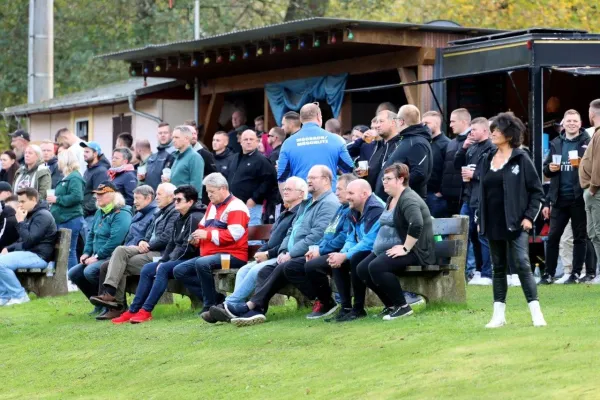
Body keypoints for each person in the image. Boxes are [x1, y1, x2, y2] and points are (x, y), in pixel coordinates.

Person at [221, 165, 341, 327]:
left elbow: (316, 236)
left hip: (312, 253)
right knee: (265, 270)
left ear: (326, 180)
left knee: (285, 267)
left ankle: (249, 306)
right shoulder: (307, 203)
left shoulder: (328, 203)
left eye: (313, 178)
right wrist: (284, 250)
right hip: (292, 254)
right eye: (308, 177)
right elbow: (291, 231)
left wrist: (290, 253)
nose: (309, 180)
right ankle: (257, 310)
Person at [202, 176, 306, 323]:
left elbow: (287, 243)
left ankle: (229, 306)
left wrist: (268, 253)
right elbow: (272, 240)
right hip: (271, 254)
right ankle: (234, 307)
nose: (284, 192)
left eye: (289, 189)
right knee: (244, 270)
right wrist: (260, 251)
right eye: (284, 189)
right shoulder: (285, 213)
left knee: (254, 270)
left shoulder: (299, 214)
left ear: (301, 194)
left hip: (283, 256)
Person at [478, 113, 546, 328]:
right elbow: (481, 192)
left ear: (509, 134)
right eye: (492, 129)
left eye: (497, 130)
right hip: (493, 221)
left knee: (523, 264)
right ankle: (498, 315)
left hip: (517, 223)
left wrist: (528, 218)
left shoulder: (521, 158)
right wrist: (480, 216)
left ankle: (536, 313)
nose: (493, 133)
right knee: (498, 267)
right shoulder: (486, 158)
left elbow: (537, 192)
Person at [111, 185, 205, 324]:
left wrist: (167, 263)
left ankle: (146, 310)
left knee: (162, 269)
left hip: (191, 259)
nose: (175, 203)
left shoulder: (195, 217)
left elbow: (187, 248)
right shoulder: (180, 217)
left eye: (178, 200)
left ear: (190, 202)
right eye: (175, 200)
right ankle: (134, 309)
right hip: (179, 258)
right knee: (148, 268)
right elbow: (172, 244)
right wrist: (164, 260)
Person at [353, 163, 434, 321]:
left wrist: (405, 248)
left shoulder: (408, 199)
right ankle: (391, 306)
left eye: (389, 179)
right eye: (384, 178)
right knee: (362, 268)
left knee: (376, 267)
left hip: (417, 251)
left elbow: (416, 223)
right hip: (393, 248)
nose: (384, 182)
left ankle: (403, 307)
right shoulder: (391, 198)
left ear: (401, 179)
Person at [91, 185, 175, 320]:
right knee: (116, 255)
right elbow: (146, 234)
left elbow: (167, 237)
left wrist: (147, 244)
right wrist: (143, 240)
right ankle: (113, 300)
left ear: (171, 197)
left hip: (159, 253)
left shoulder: (172, 213)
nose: (156, 198)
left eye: (159, 195)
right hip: (145, 248)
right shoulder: (159, 212)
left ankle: (116, 303)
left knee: (116, 264)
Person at [171, 173, 250, 314]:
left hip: (233, 255)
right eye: (207, 191)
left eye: (212, 191)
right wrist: (197, 239)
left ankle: (209, 305)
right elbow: (202, 228)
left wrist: (207, 235)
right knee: (179, 270)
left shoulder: (236, 206)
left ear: (223, 188)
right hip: (212, 254)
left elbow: (234, 235)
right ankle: (218, 299)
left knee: (202, 264)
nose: (209, 195)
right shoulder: (212, 206)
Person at [308, 179, 385, 322]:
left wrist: (345, 255)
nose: (346, 196)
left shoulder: (376, 210)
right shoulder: (353, 210)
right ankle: (346, 308)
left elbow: (369, 242)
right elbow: (351, 238)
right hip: (366, 250)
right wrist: (341, 254)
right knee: (341, 261)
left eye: (351, 193)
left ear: (364, 194)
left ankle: (358, 308)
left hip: (380, 250)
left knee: (356, 259)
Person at [541, 110, 595, 285]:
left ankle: (576, 273)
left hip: (579, 196)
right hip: (559, 198)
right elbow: (546, 169)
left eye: (575, 120)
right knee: (553, 237)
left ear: (580, 124)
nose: (572, 123)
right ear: (563, 124)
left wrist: (582, 166)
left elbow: (595, 167)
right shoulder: (556, 142)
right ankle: (548, 274)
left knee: (581, 237)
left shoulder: (588, 141)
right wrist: (550, 168)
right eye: (568, 121)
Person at [68, 182, 133, 315]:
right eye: (97, 194)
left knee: (90, 271)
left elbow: (115, 241)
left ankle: (110, 303)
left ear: (113, 195)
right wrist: (86, 253)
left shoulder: (122, 213)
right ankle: (98, 303)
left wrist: (96, 257)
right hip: (97, 256)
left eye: (101, 194)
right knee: (74, 273)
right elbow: (91, 234)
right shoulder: (100, 212)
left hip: (113, 257)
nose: (97, 197)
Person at [454, 117, 495, 285]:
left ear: (485, 131)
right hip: (468, 198)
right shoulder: (471, 148)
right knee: (465, 234)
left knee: (482, 235)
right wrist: (462, 149)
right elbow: (457, 165)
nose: (471, 133)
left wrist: (475, 175)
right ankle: (475, 271)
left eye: (474, 130)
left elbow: (495, 174)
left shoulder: (492, 149)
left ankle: (487, 273)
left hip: (483, 199)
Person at [0, 188, 57, 306]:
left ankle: (20, 296)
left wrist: (20, 222)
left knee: (1, 263)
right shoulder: (33, 214)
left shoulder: (43, 216)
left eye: (23, 202)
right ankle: (4, 296)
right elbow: (22, 241)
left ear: (34, 200)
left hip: (39, 257)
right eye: (19, 202)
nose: (20, 205)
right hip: (31, 254)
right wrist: (8, 249)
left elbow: (29, 241)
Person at [277, 103, 354, 189]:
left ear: (301, 119)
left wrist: (288, 201)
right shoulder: (336, 140)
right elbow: (349, 169)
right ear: (319, 116)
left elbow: (281, 178)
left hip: (301, 196)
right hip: (328, 197)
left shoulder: (288, 143)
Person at [380, 105, 432, 200]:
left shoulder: (417, 142)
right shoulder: (407, 139)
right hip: (395, 200)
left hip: (407, 201)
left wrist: (395, 185)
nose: (395, 122)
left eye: (396, 119)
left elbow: (419, 173)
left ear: (401, 121)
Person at [227, 130, 277, 228]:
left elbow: (269, 180)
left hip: (251, 206)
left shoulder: (261, 160)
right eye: (245, 139)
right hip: (234, 205)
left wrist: (254, 198)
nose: (248, 142)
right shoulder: (235, 157)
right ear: (240, 142)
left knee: (253, 237)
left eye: (251, 139)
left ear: (257, 142)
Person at [46, 150, 85, 271]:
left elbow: (77, 197)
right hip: (62, 218)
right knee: (63, 250)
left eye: (60, 159)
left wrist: (57, 199)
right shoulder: (68, 176)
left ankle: (72, 279)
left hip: (70, 218)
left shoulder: (75, 177)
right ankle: (63, 277)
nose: (58, 162)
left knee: (69, 249)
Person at [441, 108, 472, 216]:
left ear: (463, 122)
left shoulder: (474, 142)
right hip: (447, 199)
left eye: (453, 121)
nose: (450, 125)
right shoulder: (451, 143)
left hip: (464, 198)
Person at [580, 126, 600, 274]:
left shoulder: (599, 134)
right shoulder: (596, 133)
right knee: (593, 233)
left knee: (598, 232)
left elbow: (599, 164)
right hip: (590, 191)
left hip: (595, 191)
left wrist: (593, 187)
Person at [422, 111, 450, 218]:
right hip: (423, 193)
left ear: (436, 124)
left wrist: (441, 192)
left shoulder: (447, 144)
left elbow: (449, 170)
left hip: (436, 196)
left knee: (437, 231)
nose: (424, 126)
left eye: (427, 123)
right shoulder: (424, 143)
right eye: (422, 123)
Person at [367, 110, 401, 197]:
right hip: (374, 198)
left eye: (381, 121)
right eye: (377, 122)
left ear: (393, 122)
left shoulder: (400, 145)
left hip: (391, 199)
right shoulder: (379, 145)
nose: (377, 125)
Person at [164, 125, 205, 195]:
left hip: (188, 202)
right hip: (176, 201)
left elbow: (196, 187)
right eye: (173, 137)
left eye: (176, 137)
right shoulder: (177, 156)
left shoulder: (195, 157)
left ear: (186, 139)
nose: (173, 140)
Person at [80, 141, 109, 226]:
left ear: (95, 153)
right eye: (84, 151)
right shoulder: (89, 169)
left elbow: (98, 194)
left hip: (92, 216)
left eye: (87, 152)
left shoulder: (101, 171)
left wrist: (83, 211)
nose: (84, 154)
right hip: (87, 215)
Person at [143, 122, 176, 190]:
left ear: (171, 134)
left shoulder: (175, 153)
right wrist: (142, 178)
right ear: (157, 136)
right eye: (160, 133)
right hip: (151, 195)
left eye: (165, 133)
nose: (162, 135)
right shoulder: (153, 156)